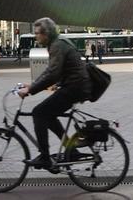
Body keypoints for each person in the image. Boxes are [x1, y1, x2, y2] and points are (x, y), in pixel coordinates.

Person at [16, 17, 92, 171]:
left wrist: (30, 90)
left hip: (74, 88)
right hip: (75, 86)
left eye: (37, 33)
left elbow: (52, 74)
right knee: (48, 116)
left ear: (46, 34)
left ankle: (45, 157)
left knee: (38, 112)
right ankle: (72, 150)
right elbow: (50, 71)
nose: (36, 36)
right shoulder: (57, 43)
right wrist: (32, 85)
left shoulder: (57, 45)